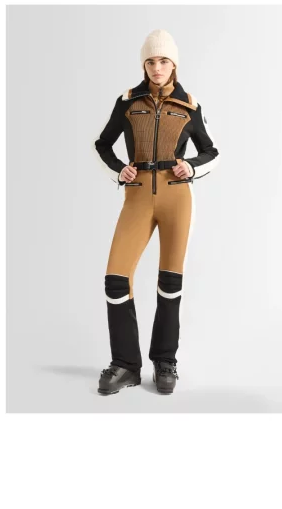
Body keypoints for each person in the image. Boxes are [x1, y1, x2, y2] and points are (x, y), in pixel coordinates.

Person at [93, 29, 220, 395]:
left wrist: (191, 166)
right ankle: (125, 365)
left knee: (170, 282)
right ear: (144, 65)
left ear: (173, 64)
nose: (157, 67)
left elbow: (212, 152)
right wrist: (119, 169)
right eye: (150, 61)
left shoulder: (190, 106)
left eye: (164, 61)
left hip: (176, 199)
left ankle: (165, 361)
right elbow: (103, 144)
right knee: (116, 279)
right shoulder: (127, 103)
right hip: (137, 198)